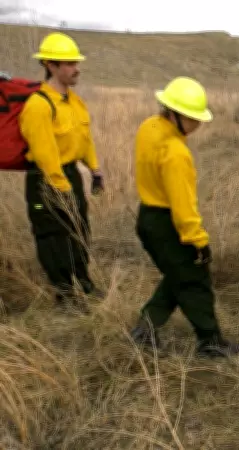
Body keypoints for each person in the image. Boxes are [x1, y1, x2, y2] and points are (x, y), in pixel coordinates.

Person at [128, 76, 239, 358]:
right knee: (194, 281)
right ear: (175, 113)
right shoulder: (176, 152)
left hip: (148, 217)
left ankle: (145, 328)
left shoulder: (148, 127)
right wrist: (198, 241)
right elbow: (183, 207)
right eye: (193, 117)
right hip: (168, 224)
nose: (198, 124)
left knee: (178, 276)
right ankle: (210, 341)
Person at [19, 31, 105, 311]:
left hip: (70, 176)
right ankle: (64, 295)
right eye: (68, 63)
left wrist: (95, 171)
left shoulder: (74, 102)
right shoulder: (38, 105)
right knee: (52, 236)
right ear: (50, 66)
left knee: (80, 229)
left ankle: (84, 281)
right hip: (45, 180)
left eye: (76, 62)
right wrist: (61, 187)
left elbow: (85, 138)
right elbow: (45, 155)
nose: (76, 68)